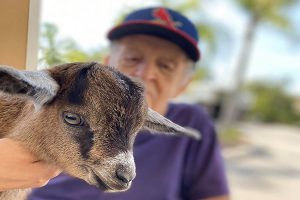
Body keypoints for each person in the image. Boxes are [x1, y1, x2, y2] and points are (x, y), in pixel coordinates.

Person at [28, 7, 230, 200]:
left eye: (166, 66)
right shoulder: (55, 105)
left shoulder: (192, 122)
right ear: (106, 66)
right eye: (132, 58)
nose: (144, 74)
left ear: (183, 85)